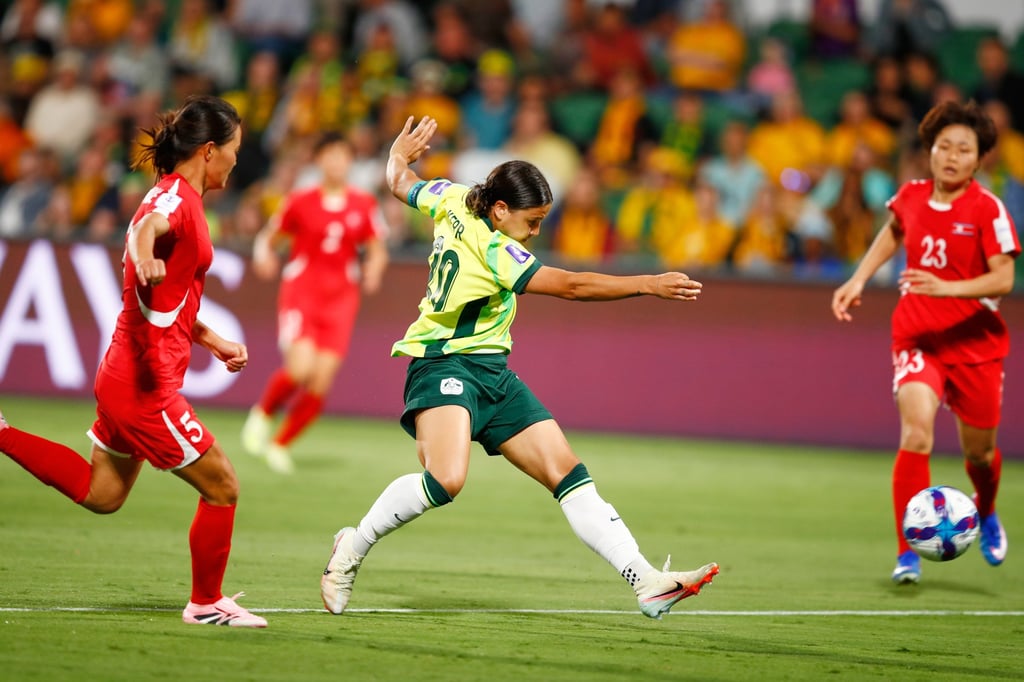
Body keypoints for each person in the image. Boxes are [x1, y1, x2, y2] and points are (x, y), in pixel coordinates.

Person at [319, 115, 719, 619]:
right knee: (445, 480)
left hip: (491, 373)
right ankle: (351, 547)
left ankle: (647, 582)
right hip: (443, 361)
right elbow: (572, 286)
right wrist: (648, 283)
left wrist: (397, 153)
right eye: (531, 222)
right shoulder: (497, 250)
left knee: (568, 473)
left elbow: (402, 183)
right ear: (502, 208)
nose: (534, 232)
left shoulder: (454, 196)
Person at [0, 95, 267, 627]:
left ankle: (2, 433)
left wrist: (211, 339)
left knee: (103, 495)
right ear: (209, 151)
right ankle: (206, 603)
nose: (238, 159)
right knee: (224, 487)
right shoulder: (174, 203)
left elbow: (170, 302)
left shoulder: (170, 194)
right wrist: (143, 253)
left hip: (122, 374)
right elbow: (149, 232)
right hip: (146, 389)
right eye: (234, 149)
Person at [831, 100, 1018, 584]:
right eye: (944, 146)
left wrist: (949, 288)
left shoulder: (987, 208)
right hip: (917, 337)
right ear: (930, 151)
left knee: (979, 454)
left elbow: (1004, 278)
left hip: (976, 344)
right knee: (916, 433)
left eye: (964, 149)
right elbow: (893, 232)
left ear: (979, 160)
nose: (952, 156)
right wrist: (858, 279)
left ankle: (989, 509)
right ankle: (907, 554)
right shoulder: (910, 196)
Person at [242, 132, 389, 474]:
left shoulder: (364, 204)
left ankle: (280, 444)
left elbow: (377, 247)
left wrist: (374, 270)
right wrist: (264, 254)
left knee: (320, 382)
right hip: (302, 292)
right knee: (299, 370)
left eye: (343, 155)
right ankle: (263, 412)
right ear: (319, 160)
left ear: (351, 162)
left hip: (341, 300)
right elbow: (270, 236)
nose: (337, 161)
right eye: (330, 154)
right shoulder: (300, 200)